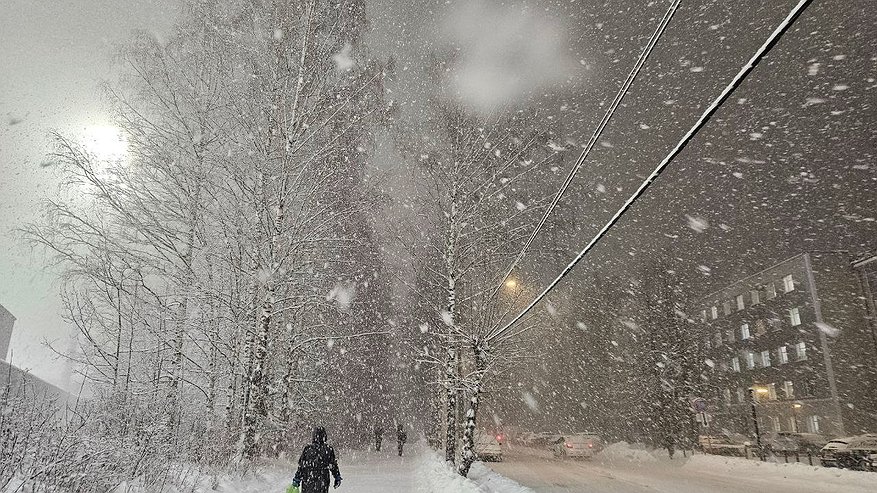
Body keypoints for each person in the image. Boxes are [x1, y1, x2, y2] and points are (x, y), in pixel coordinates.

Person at [291, 427, 342, 493]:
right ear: (324, 436)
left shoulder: (307, 449)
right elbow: (333, 465)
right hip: (323, 480)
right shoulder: (328, 449)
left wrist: (297, 479)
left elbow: (302, 466)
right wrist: (337, 477)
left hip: (308, 480)